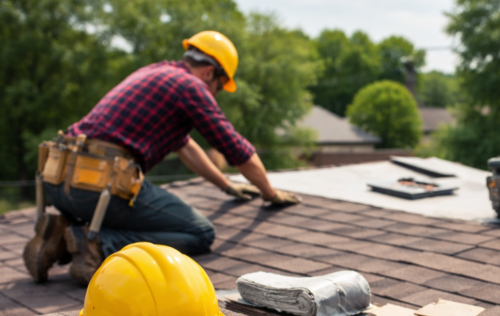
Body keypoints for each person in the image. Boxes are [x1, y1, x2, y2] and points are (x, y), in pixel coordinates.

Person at [24, 31, 301, 286]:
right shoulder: (192, 87)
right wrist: (270, 193)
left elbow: (186, 146)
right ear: (209, 72)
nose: (215, 94)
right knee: (200, 233)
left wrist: (226, 185)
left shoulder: (154, 72)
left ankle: (60, 234)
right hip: (98, 189)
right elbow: (237, 149)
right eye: (218, 86)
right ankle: (96, 242)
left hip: (58, 182)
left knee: (144, 209)